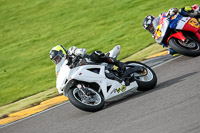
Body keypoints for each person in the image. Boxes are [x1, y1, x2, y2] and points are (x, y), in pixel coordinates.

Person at [49, 45, 126, 78]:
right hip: (84, 73)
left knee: (95, 54)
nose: (57, 61)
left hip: (91, 62)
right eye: (55, 60)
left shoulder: (70, 51)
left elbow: (82, 50)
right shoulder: (65, 67)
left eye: (58, 58)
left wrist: (78, 53)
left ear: (61, 52)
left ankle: (118, 63)